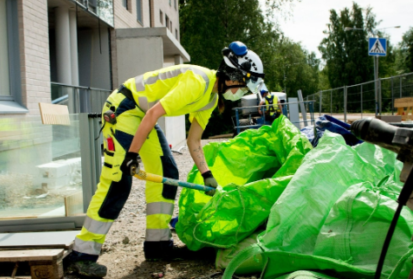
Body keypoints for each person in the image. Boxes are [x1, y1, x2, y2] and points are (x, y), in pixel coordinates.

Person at [66, 41, 265, 278]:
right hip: (124, 109)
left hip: (141, 114)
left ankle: (158, 244)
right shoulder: (197, 82)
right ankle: (82, 254)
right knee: (117, 180)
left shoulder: (210, 99)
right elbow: (153, 114)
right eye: (244, 86)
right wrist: (131, 156)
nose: (243, 92)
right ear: (232, 76)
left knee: (167, 174)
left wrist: (207, 175)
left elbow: (194, 141)